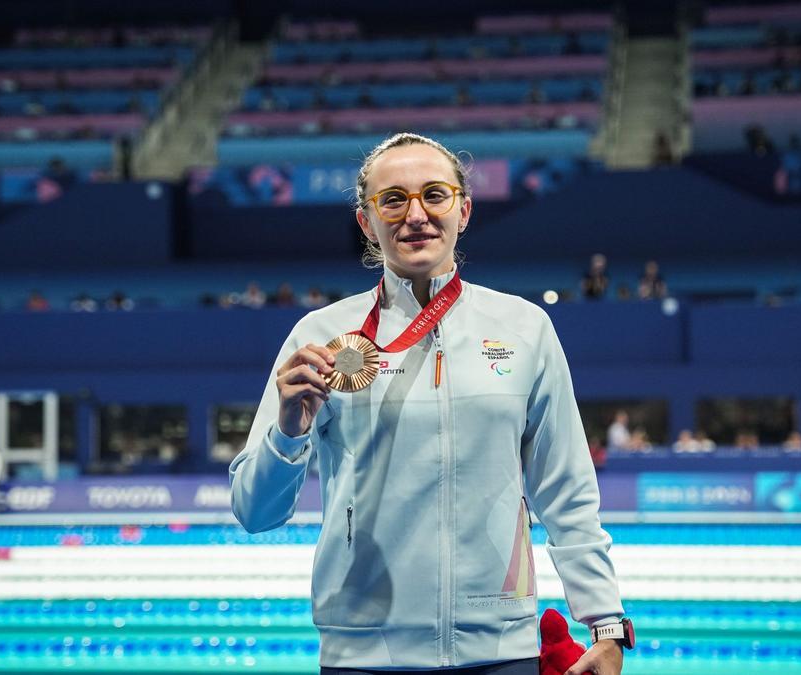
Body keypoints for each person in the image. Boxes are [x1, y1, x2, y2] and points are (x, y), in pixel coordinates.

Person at [229, 133, 628, 675]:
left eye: (434, 195)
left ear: (463, 210)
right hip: (364, 655)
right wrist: (288, 434)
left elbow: (567, 490)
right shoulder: (320, 337)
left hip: (500, 651)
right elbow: (255, 513)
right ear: (367, 221)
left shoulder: (524, 328)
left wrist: (605, 624)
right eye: (393, 200)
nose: (415, 215)